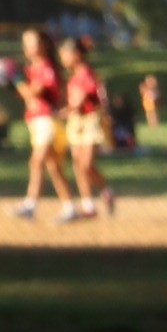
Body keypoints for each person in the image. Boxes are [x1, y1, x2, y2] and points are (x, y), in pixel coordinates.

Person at [13, 27, 71, 218]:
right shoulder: (31, 68)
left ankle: (30, 204)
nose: (29, 47)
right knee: (53, 168)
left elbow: (32, 93)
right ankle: (69, 207)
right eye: (26, 43)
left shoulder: (46, 67)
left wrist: (15, 79)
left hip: (47, 121)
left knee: (36, 162)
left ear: (44, 45)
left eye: (33, 43)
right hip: (36, 122)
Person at [60, 44, 112, 218]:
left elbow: (80, 100)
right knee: (78, 164)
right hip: (76, 121)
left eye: (65, 55)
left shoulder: (87, 74)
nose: (62, 59)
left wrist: (59, 113)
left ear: (76, 54)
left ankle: (106, 190)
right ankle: (88, 205)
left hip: (90, 120)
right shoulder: (73, 77)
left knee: (86, 165)